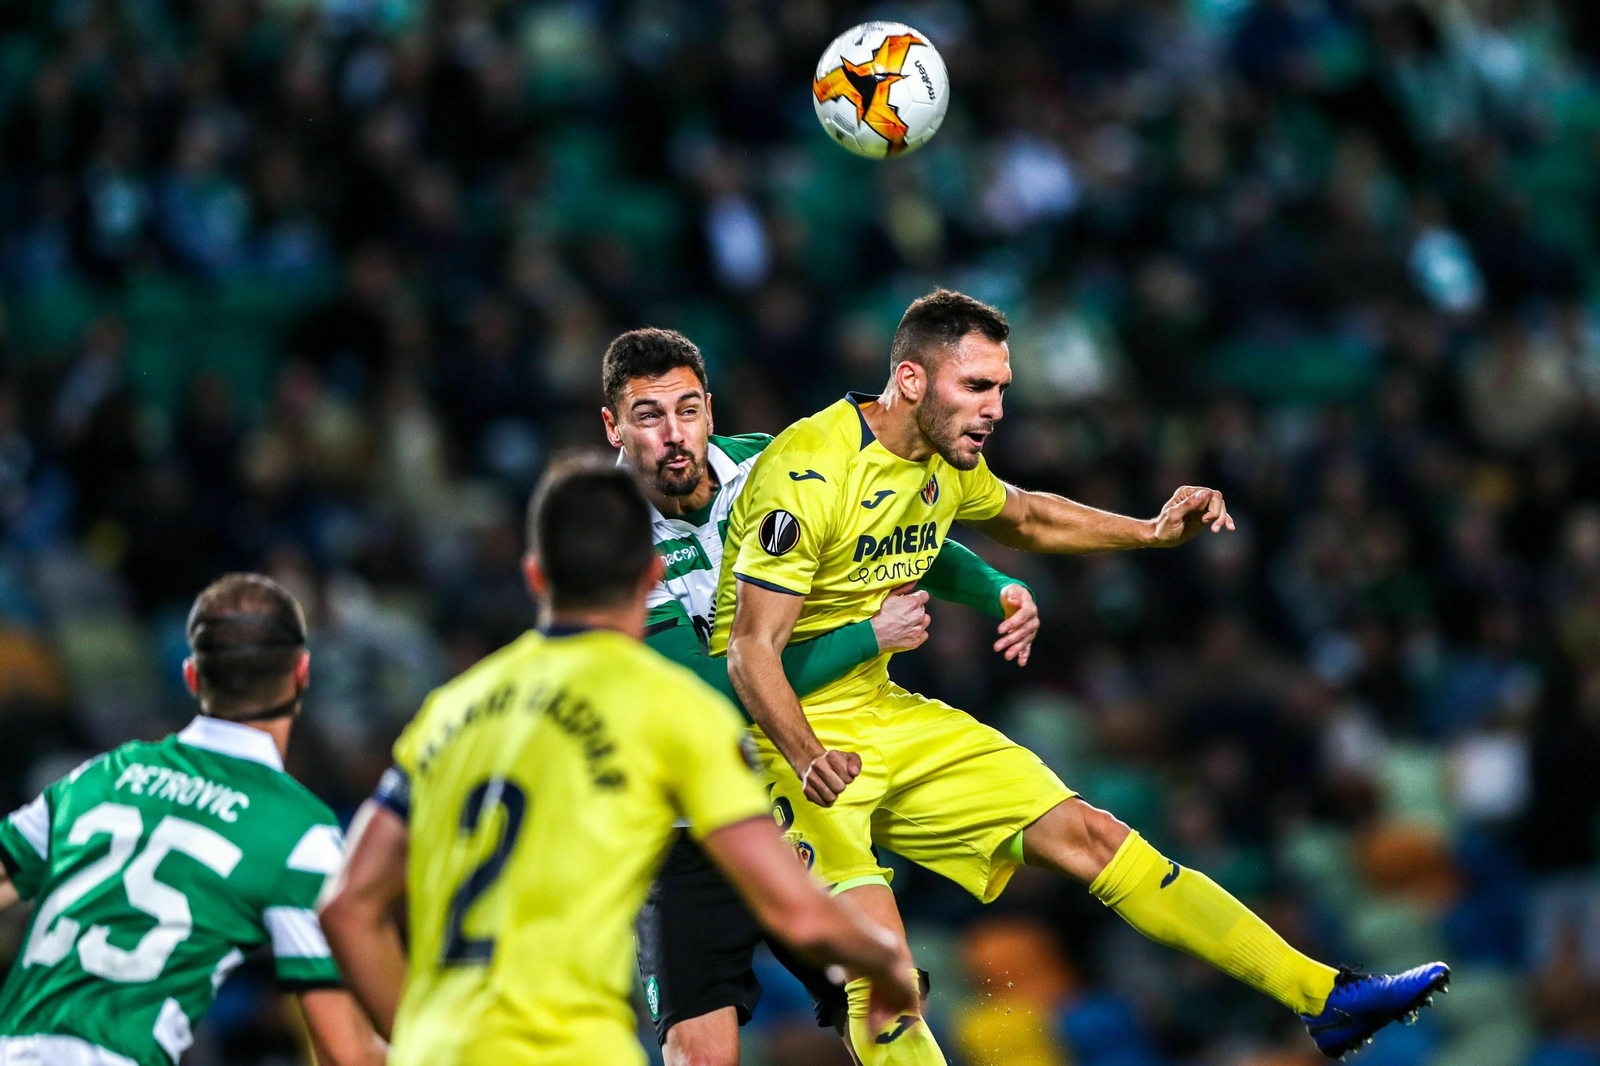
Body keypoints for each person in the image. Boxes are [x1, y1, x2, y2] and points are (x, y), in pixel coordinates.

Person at [711, 289, 1450, 1064]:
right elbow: (750, 650)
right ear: (910, 381)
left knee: (1095, 835)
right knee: (883, 975)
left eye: (1002, 389)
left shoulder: (942, 458)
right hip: (785, 740)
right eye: (978, 387)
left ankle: (1326, 999)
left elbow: (1024, 515)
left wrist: (1151, 533)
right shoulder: (810, 471)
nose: (995, 409)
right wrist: (805, 756)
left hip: (886, 714)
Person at [318, 457, 920, 1066]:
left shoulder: (448, 714)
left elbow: (346, 906)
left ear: (534, 577)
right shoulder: (673, 712)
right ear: (652, 575)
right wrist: (883, 961)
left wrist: (418, 1038)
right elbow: (793, 905)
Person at [599, 327, 1038, 1065]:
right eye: (648, 416)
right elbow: (704, 694)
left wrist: (996, 588)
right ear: (612, 425)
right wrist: (867, 637)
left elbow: (902, 527)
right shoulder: (601, 538)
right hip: (680, 828)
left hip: (785, 797)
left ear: (710, 407)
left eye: (686, 410)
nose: (674, 435)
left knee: (884, 994)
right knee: (698, 1051)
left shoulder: (773, 464)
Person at [0, 574, 385, 1066]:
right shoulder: (299, 834)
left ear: (192, 678)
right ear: (302, 674)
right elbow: (346, 1053)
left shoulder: (100, 778)